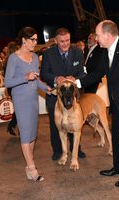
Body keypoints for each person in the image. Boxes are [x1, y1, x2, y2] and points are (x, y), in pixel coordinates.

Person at [74, 20, 119, 187]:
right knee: (117, 136)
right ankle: (118, 168)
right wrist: (77, 83)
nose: (96, 38)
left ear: (108, 35)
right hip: (116, 103)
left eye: (98, 34)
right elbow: (97, 74)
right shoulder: (105, 52)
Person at [4, 26, 51, 182]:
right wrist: (25, 77)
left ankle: (28, 166)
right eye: (32, 40)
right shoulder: (13, 58)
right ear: (24, 40)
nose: (35, 42)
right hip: (21, 99)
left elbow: (36, 79)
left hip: (33, 99)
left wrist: (46, 88)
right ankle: (32, 168)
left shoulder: (35, 57)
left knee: (32, 134)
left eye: (36, 40)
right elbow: (8, 82)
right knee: (25, 134)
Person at [40, 27, 86, 161]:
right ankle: (57, 150)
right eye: (62, 41)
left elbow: (83, 72)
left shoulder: (77, 52)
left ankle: (76, 149)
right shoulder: (48, 54)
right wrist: (55, 79)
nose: (65, 43)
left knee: (74, 123)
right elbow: (44, 74)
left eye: (68, 40)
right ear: (55, 41)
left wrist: (76, 79)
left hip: (73, 95)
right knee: (56, 126)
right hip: (55, 96)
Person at [4, 41, 19, 136]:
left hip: (12, 88)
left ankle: (11, 126)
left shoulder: (7, 61)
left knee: (18, 109)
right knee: (19, 110)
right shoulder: (12, 61)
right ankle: (13, 126)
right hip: (15, 87)